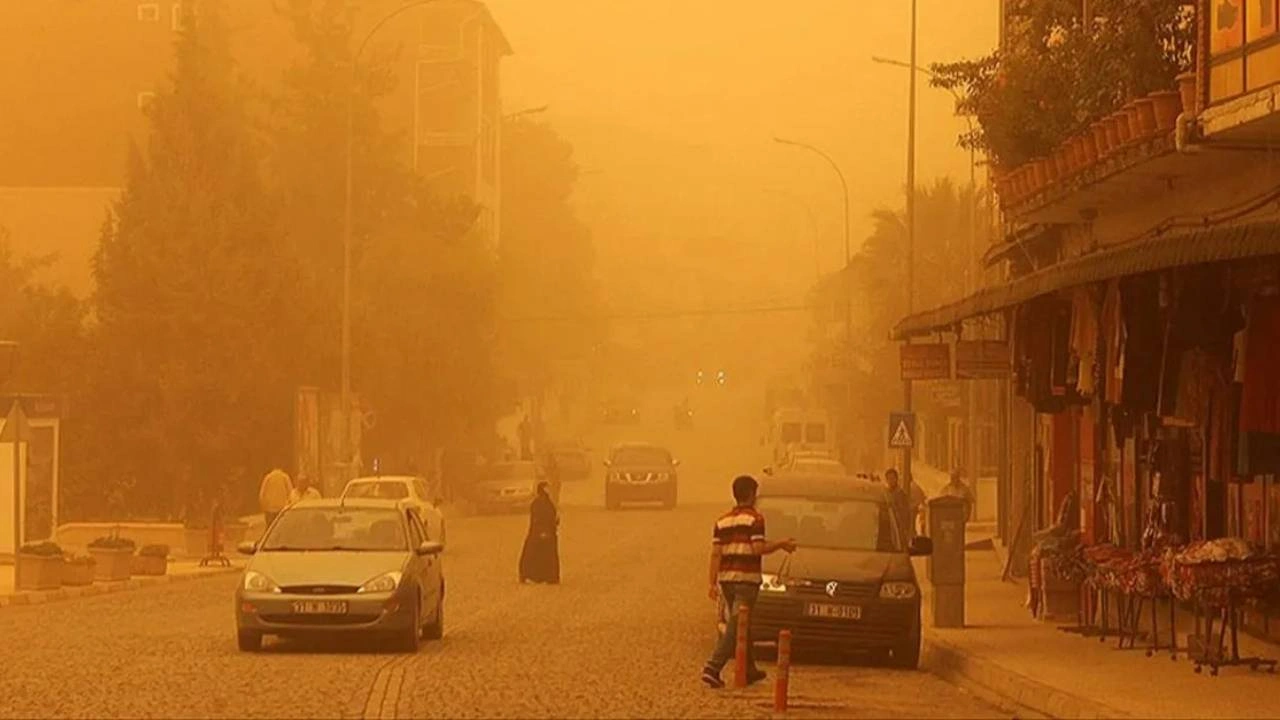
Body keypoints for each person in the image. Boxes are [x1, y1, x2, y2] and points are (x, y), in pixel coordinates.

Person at [701, 475, 797, 689]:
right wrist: (782, 544)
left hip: (727, 580)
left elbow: (715, 554)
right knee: (736, 625)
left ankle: (750, 669)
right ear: (752, 495)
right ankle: (713, 667)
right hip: (746, 580)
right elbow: (758, 549)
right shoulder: (756, 520)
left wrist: (711, 583)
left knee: (743, 624)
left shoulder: (722, 521)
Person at [518, 482, 560, 584]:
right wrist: (542, 531)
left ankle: (545, 576)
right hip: (541, 533)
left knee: (544, 555)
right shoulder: (539, 503)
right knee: (539, 554)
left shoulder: (546, 502)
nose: (548, 489)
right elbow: (538, 519)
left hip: (547, 532)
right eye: (546, 488)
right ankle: (537, 576)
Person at [885, 468, 926, 538]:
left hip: (899, 530)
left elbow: (904, 514)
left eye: (892, 478)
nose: (890, 481)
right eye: (889, 479)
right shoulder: (886, 494)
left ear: (896, 479)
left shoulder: (901, 495)